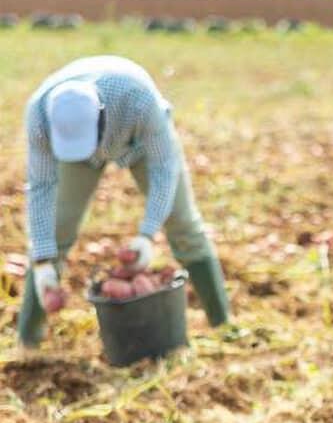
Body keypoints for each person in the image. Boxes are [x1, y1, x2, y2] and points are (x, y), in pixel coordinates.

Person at [19, 55, 230, 347]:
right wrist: (42, 261)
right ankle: (28, 343)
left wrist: (147, 234)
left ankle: (223, 325)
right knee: (56, 229)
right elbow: (41, 186)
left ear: (102, 115)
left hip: (140, 145)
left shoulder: (139, 100)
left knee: (183, 223)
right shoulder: (40, 114)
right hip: (72, 154)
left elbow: (164, 171)